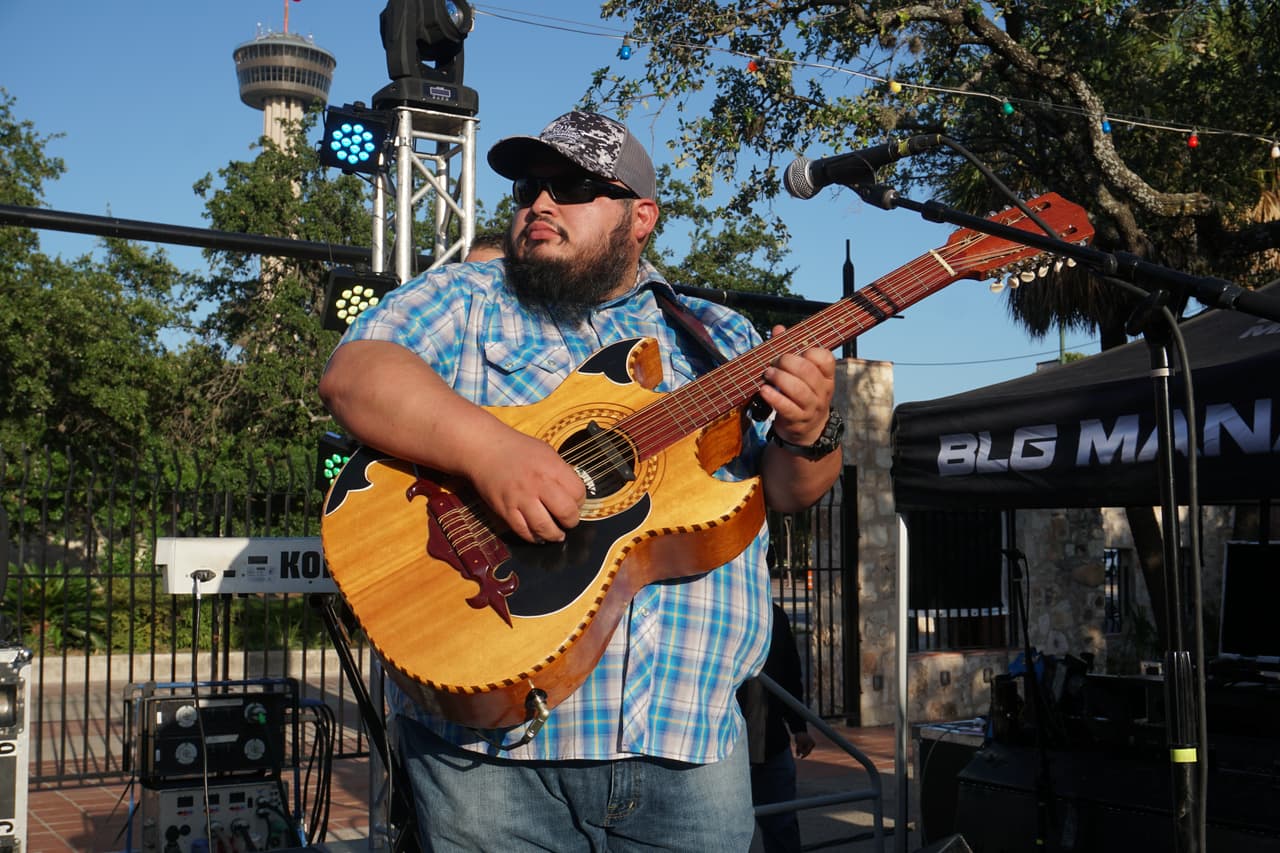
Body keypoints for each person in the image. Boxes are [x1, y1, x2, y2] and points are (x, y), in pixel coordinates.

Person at [318, 109, 843, 851]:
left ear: (641, 217)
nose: (541, 202)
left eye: (573, 186)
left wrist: (809, 430)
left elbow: (785, 493)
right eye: (530, 185)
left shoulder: (718, 337)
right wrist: (491, 451)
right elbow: (354, 372)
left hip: (687, 739)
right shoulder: (468, 298)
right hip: (488, 751)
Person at [738, 601, 818, 853]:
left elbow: (790, 671)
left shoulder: (774, 615)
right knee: (727, 833)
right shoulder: (718, 607)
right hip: (725, 747)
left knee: (782, 825)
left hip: (771, 742)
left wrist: (799, 726)